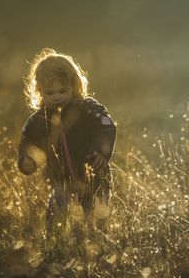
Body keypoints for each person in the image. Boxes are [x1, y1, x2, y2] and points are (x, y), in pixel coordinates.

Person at [17, 48, 117, 239]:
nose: (56, 96)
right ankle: (57, 247)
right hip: (59, 181)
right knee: (56, 214)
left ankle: (98, 245)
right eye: (50, 92)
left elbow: (107, 127)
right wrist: (27, 159)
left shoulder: (88, 110)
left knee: (95, 218)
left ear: (75, 87)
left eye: (63, 90)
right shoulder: (38, 120)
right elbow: (27, 142)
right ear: (39, 92)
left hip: (93, 178)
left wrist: (101, 153)